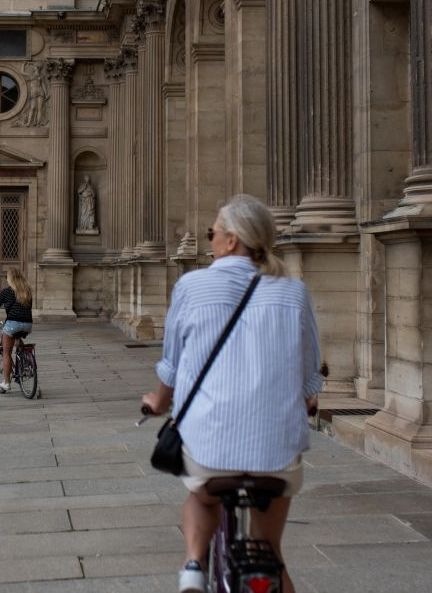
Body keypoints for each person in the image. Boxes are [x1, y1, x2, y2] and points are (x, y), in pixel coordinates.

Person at [142, 194, 323, 593]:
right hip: (276, 450)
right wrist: (306, 399)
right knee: (270, 553)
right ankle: (268, 571)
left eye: (213, 233)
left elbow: (171, 366)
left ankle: (192, 565)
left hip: (210, 447)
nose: (210, 241)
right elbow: (310, 378)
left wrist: (158, 401)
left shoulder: (191, 285)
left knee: (201, 496)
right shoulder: (294, 292)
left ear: (231, 241)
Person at [0, 268, 33, 393]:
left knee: (6, 353)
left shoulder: (6, 292)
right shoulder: (27, 291)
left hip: (13, 323)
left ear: (9, 279)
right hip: (27, 324)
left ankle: (6, 383)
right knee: (16, 338)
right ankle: (27, 362)